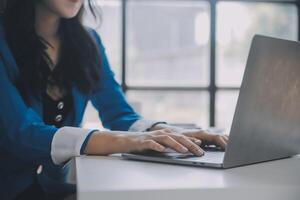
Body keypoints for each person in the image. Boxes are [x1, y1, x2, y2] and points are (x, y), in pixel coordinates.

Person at [0, 0, 229, 199]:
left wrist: (167, 132)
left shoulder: (88, 41)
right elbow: (20, 132)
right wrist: (126, 141)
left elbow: (118, 113)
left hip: (53, 188)